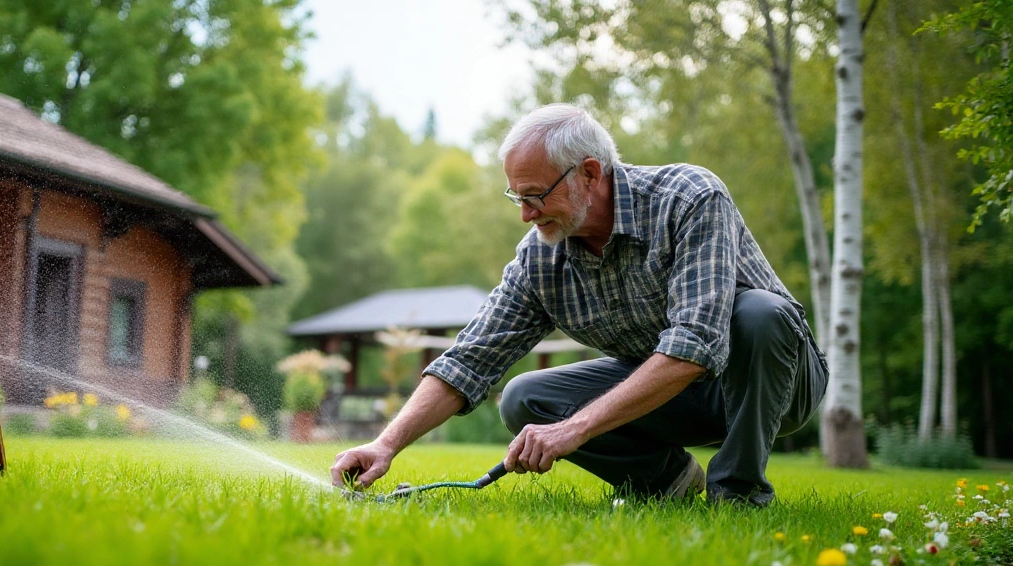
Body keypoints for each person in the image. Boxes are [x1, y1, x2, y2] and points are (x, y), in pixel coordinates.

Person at [329, 104, 828, 506]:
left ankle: (736, 496)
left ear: (590, 172)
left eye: (535, 195)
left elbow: (695, 344)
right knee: (523, 398)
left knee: (759, 313)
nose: (525, 214)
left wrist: (575, 430)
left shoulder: (690, 198)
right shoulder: (541, 257)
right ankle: (669, 482)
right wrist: (385, 443)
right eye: (515, 197)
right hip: (676, 397)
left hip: (778, 383)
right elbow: (470, 359)